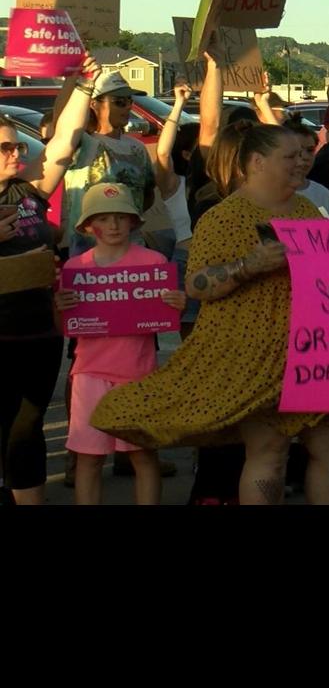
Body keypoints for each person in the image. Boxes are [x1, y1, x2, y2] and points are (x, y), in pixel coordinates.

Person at [89, 125, 329, 505]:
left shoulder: (308, 210)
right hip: (258, 359)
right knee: (270, 452)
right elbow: (197, 284)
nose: (303, 161)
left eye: (305, 153)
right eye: (291, 155)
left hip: (316, 351)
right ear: (257, 162)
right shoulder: (224, 217)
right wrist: (249, 265)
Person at [52, 184, 186, 504]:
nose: (113, 225)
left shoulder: (153, 262)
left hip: (139, 374)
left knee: (142, 455)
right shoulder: (75, 269)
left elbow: (166, 319)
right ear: (87, 225)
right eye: (104, 218)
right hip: (89, 374)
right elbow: (66, 329)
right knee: (89, 457)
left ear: (133, 222)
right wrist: (59, 307)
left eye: (121, 218)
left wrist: (176, 303)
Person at [0, 82, 93, 506]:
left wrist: (84, 87)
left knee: (27, 427)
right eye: (5, 148)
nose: (16, 153)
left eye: (17, 145)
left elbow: (62, 144)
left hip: (38, 333)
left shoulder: (27, 191)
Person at [57, 71, 156, 252]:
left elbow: (147, 194)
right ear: (94, 103)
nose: (128, 108)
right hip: (89, 249)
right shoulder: (86, 143)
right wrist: (73, 77)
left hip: (133, 248)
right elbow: (62, 127)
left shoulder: (138, 148)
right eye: (119, 102)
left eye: (129, 101)